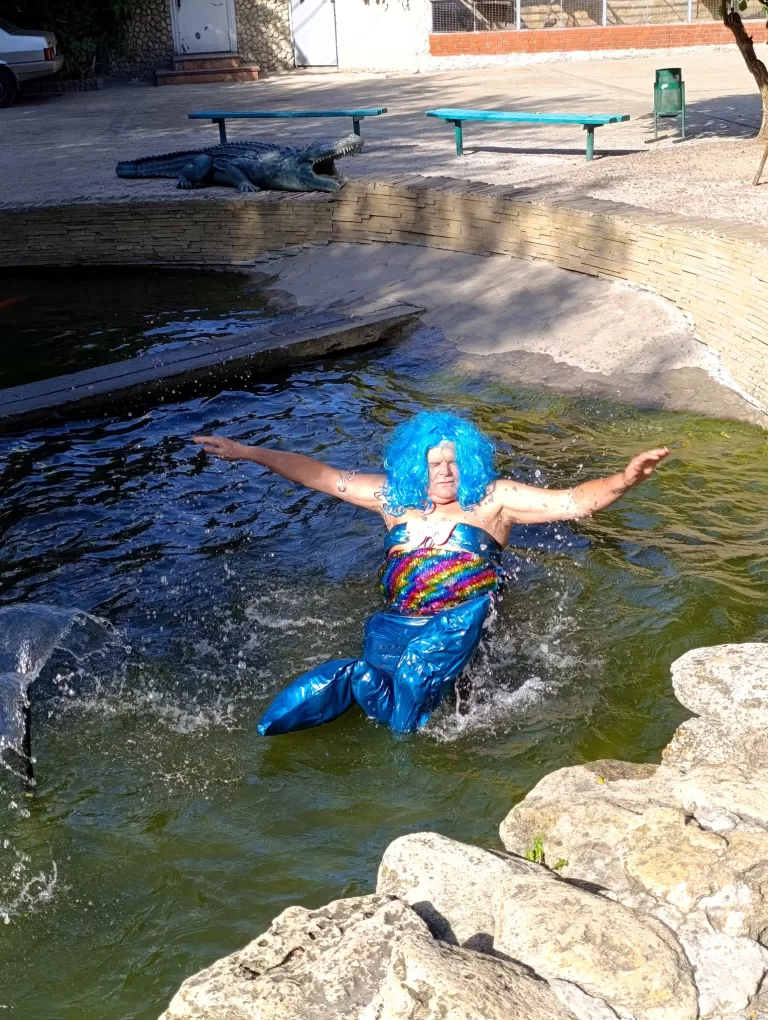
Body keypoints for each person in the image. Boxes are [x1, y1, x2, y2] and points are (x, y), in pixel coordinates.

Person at [194, 411, 668, 735]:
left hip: (463, 624)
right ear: (415, 466)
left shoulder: (494, 500)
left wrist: (624, 480)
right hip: (399, 622)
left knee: (425, 687)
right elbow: (320, 476)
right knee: (373, 680)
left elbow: (574, 502)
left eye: (453, 463)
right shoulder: (394, 499)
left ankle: (418, 726)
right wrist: (247, 452)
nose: (444, 473)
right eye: (434, 464)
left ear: (470, 463)